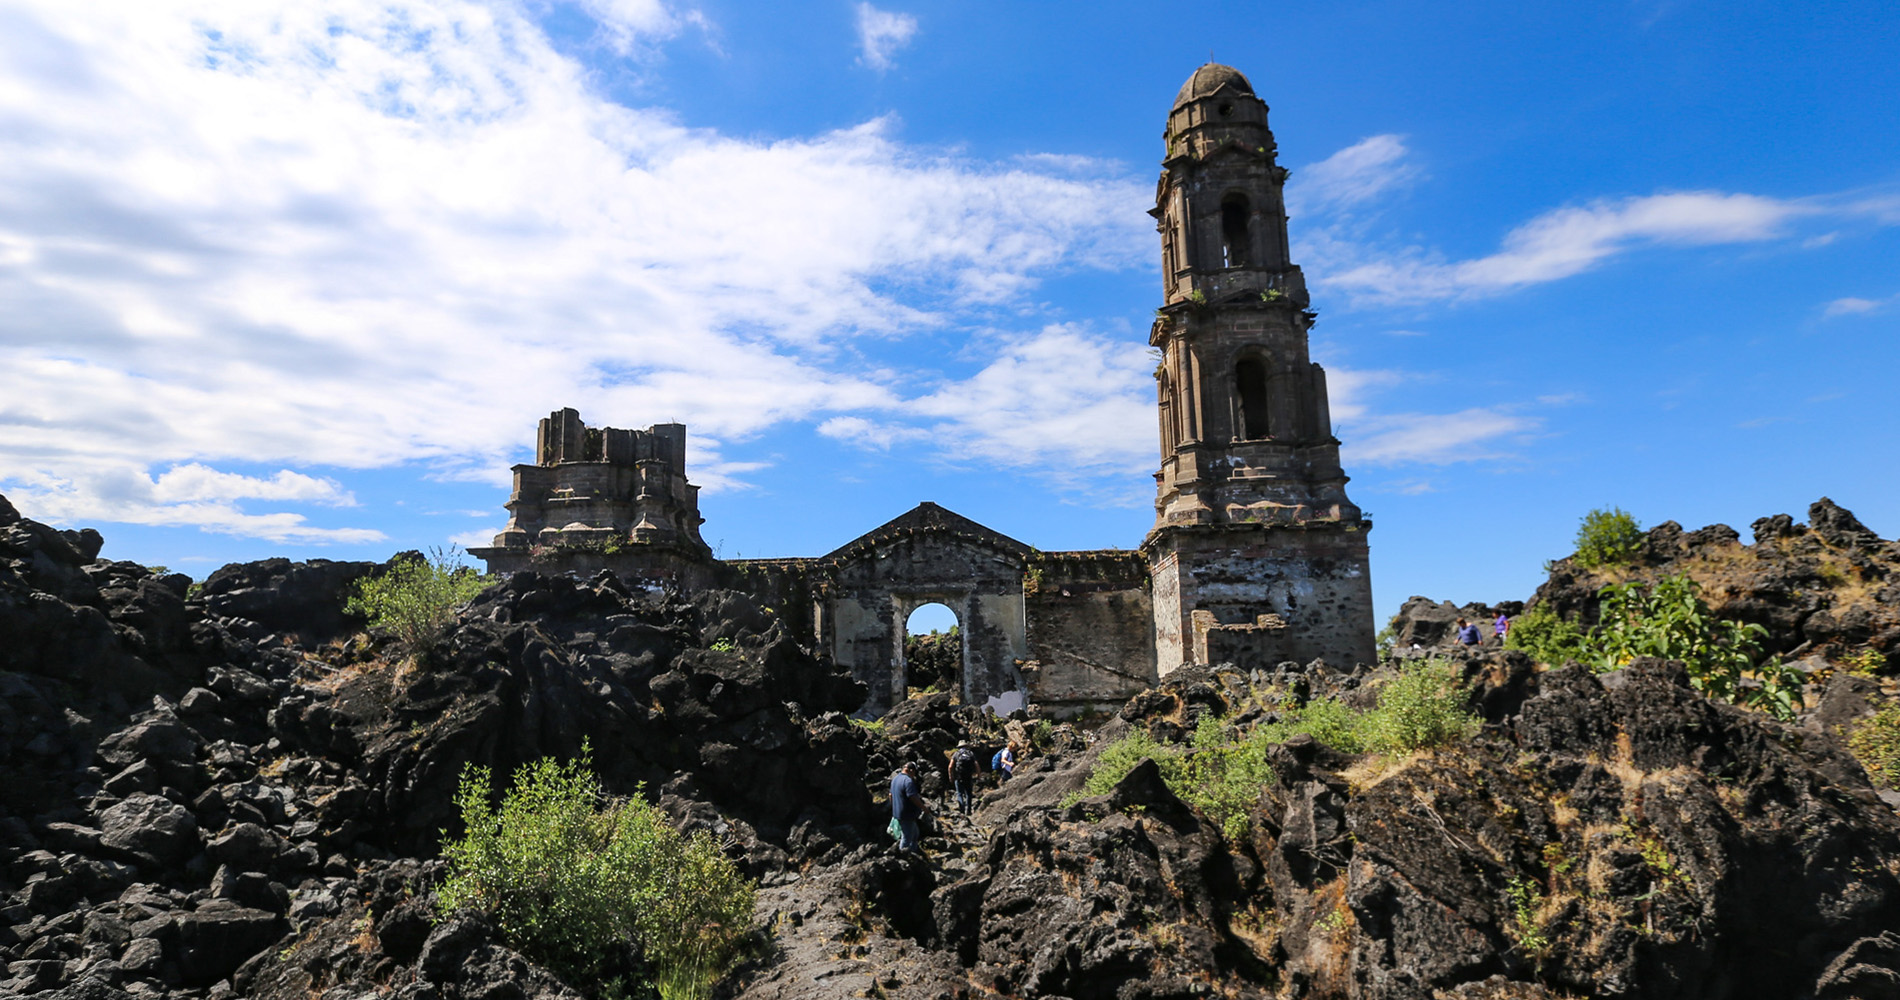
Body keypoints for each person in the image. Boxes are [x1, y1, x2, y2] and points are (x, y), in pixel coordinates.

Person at [889, 762, 926, 852]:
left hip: (898, 812)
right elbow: (912, 797)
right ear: (911, 770)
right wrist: (924, 808)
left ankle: (914, 853)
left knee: (915, 833)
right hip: (907, 814)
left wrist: (894, 806)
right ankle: (903, 857)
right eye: (914, 772)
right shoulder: (908, 781)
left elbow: (890, 795)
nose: (914, 775)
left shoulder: (895, 779)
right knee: (906, 838)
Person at [948, 741, 979, 816]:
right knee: (968, 793)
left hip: (959, 776)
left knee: (959, 793)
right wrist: (978, 774)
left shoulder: (956, 754)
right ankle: (968, 810)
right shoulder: (970, 753)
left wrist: (951, 776)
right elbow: (976, 764)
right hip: (968, 776)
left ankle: (961, 809)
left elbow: (950, 766)